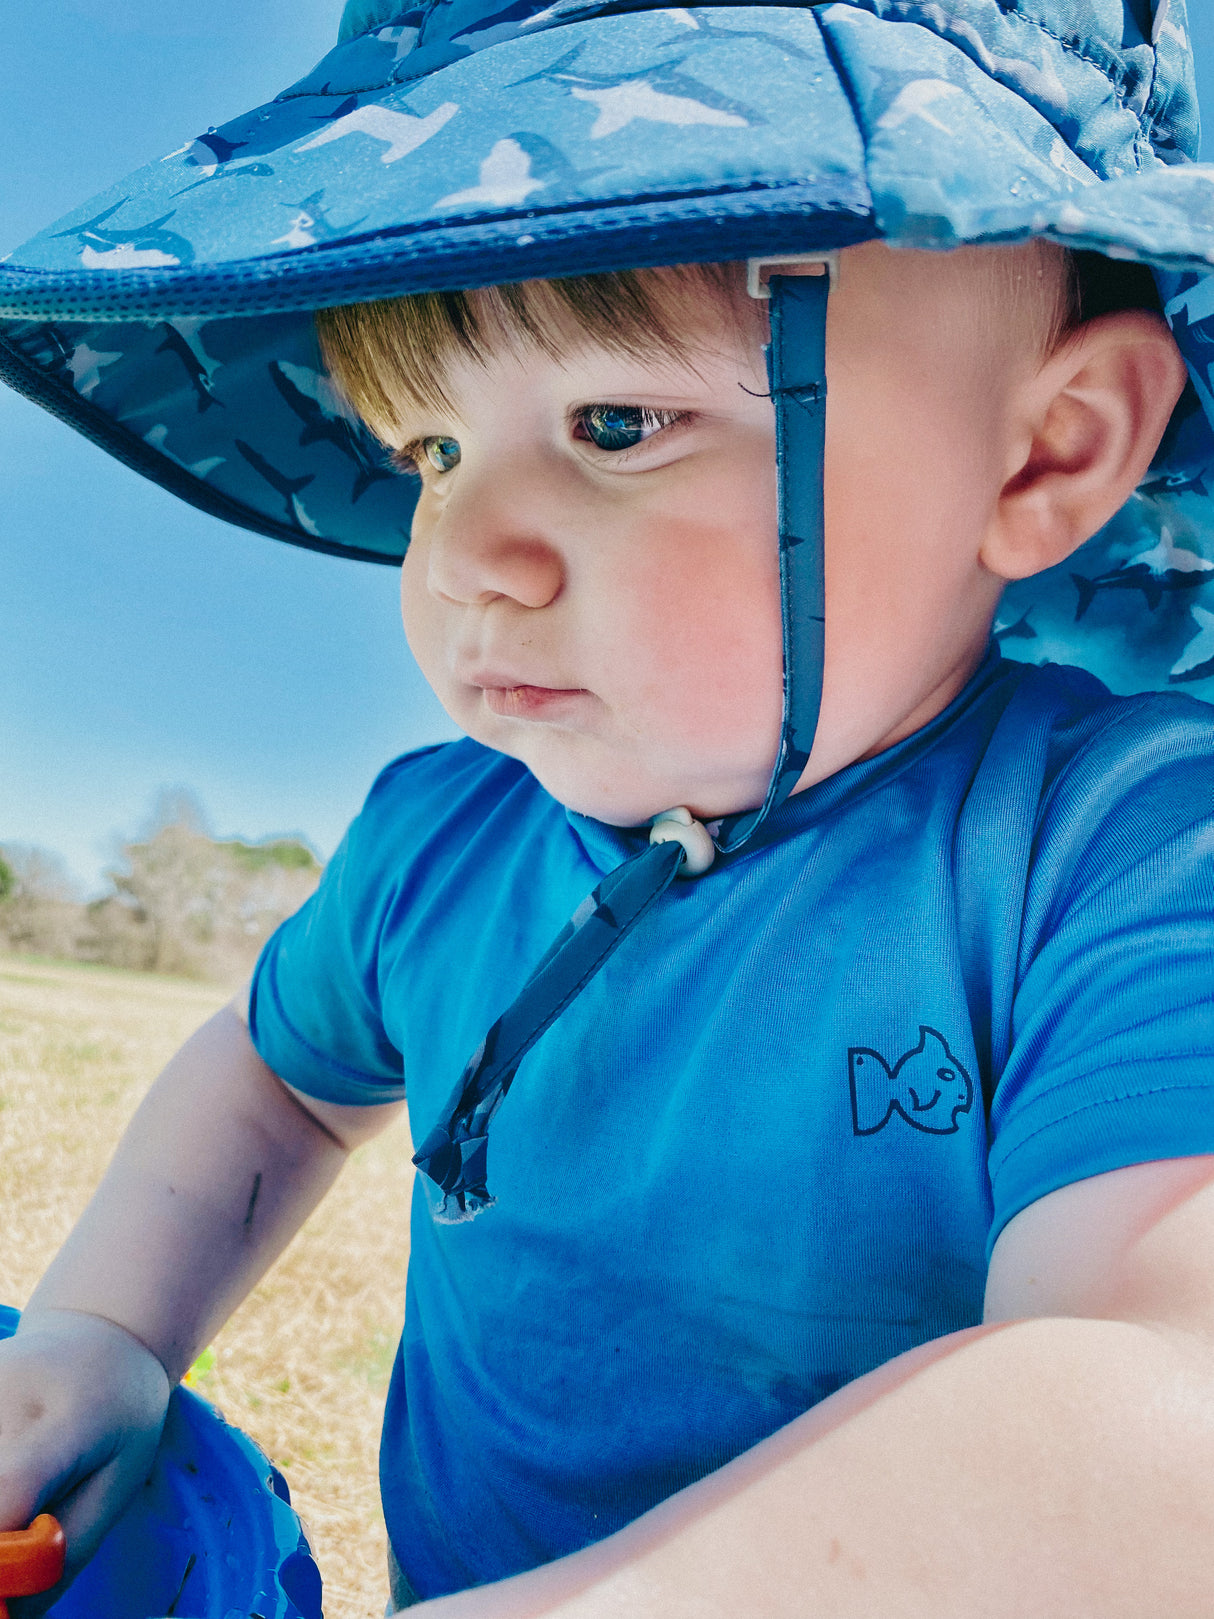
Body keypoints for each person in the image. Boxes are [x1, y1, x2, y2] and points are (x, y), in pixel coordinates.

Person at [0, 2, 1213, 1614]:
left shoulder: (1120, 851)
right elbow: (278, 1084)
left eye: (615, 425)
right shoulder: (439, 837)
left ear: (1041, 457)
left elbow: (1155, 1398)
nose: (462, 557)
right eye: (431, 450)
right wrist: (112, 1326)